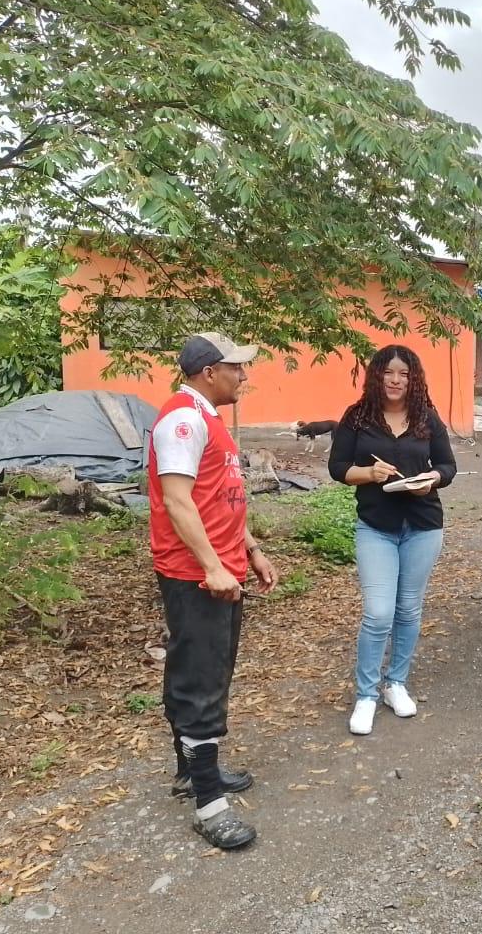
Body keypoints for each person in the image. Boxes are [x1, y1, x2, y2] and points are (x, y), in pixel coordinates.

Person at [148, 332, 278, 850]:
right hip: (195, 575)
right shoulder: (182, 421)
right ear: (208, 372)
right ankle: (208, 806)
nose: (243, 376)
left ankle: (192, 771)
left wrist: (250, 550)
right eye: (235, 368)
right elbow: (178, 502)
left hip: (222, 569)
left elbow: (218, 499)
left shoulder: (208, 419)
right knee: (200, 680)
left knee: (206, 670)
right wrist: (212, 566)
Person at [328, 345, 457, 736]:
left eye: (404, 373)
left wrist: (431, 479)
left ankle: (395, 684)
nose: (396, 380)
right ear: (377, 376)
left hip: (423, 525)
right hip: (376, 526)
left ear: (413, 378)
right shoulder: (357, 417)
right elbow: (337, 467)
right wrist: (369, 474)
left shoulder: (426, 417)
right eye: (389, 372)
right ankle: (366, 694)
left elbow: (448, 466)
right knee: (378, 613)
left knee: (408, 609)